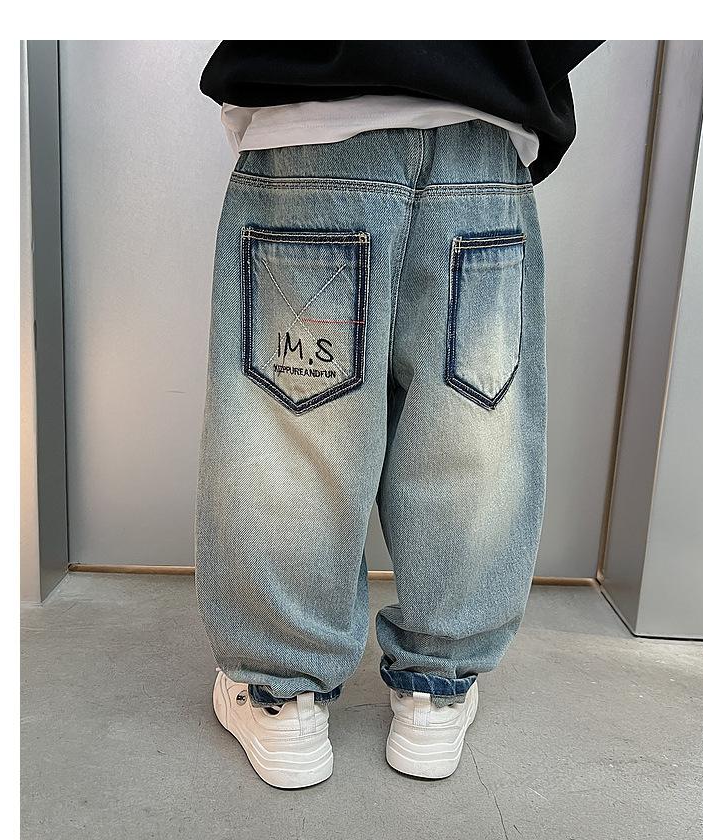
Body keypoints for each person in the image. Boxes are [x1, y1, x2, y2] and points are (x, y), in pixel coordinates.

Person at [194, 40, 603, 789]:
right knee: (469, 440)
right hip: (481, 148)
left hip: (314, 130)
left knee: (293, 440)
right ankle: (435, 693)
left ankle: (282, 698)